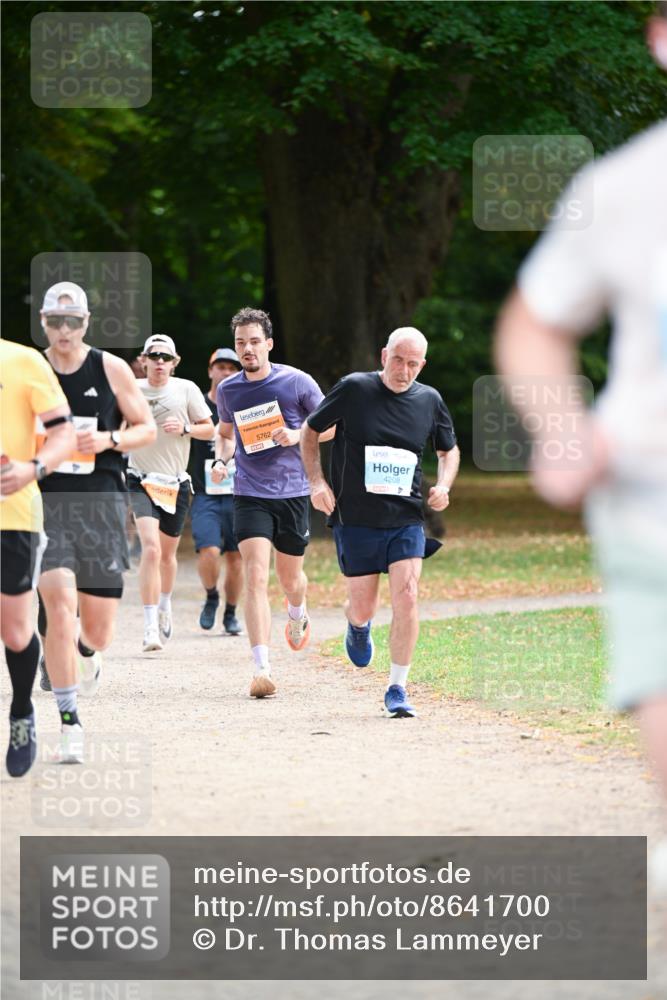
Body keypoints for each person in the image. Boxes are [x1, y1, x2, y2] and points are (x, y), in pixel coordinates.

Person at [494, 2, 667, 876]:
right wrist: (561, 429)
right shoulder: (624, 189)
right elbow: (533, 324)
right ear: (660, 40)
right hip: (653, 500)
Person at [301, 327, 460, 718]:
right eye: (397, 360)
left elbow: (448, 450)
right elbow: (310, 430)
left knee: (407, 594)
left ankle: (397, 688)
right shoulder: (355, 389)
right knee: (364, 605)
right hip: (355, 517)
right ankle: (357, 625)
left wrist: (443, 485)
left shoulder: (429, 400)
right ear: (383, 354)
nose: (403, 370)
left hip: (405, 517)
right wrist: (316, 482)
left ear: (422, 364)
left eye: (412, 364)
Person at [37, 281, 156, 764]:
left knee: (98, 630)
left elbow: (145, 428)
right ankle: (70, 724)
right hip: (44, 504)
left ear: (86, 323)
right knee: (60, 605)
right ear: (43, 322)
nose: (64, 330)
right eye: (54, 321)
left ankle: (87, 653)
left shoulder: (109, 368)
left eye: (73, 321)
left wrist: (108, 440)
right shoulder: (30, 370)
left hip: (101, 503)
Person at [213, 307, 334, 699]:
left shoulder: (296, 381)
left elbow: (330, 425)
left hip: (293, 492)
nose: (247, 349)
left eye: (253, 342)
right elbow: (227, 435)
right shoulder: (229, 390)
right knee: (254, 575)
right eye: (240, 343)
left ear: (268, 344)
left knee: (290, 580)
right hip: (249, 491)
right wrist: (220, 459)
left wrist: (297, 434)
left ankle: (297, 610)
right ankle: (261, 667)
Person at [0, 339, 75, 777]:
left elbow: (63, 432)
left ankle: (23, 711)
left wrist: (34, 468)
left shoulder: (24, 361)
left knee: (14, 630)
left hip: (13, 513)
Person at [128, 335, 214, 652]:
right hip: (140, 479)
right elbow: (119, 429)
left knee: (166, 555)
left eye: (166, 357)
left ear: (174, 362)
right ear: (144, 360)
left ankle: (164, 604)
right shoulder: (132, 389)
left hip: (175, 483)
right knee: (150, 549)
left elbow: (210, 428)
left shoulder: (186, 389)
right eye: (154, 355)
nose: (160, 361)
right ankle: (150, 626)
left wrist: (186, 429)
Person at [189, 348, 244, 635]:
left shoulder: (246, 404)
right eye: (220, 367)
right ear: (210, 371)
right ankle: (211, 596)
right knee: (209, 551)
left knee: (237, 558)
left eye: (232, 368)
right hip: (205, 493)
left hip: (240, 494)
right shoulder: (197, 406)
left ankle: (231, 613)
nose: (226, 372)